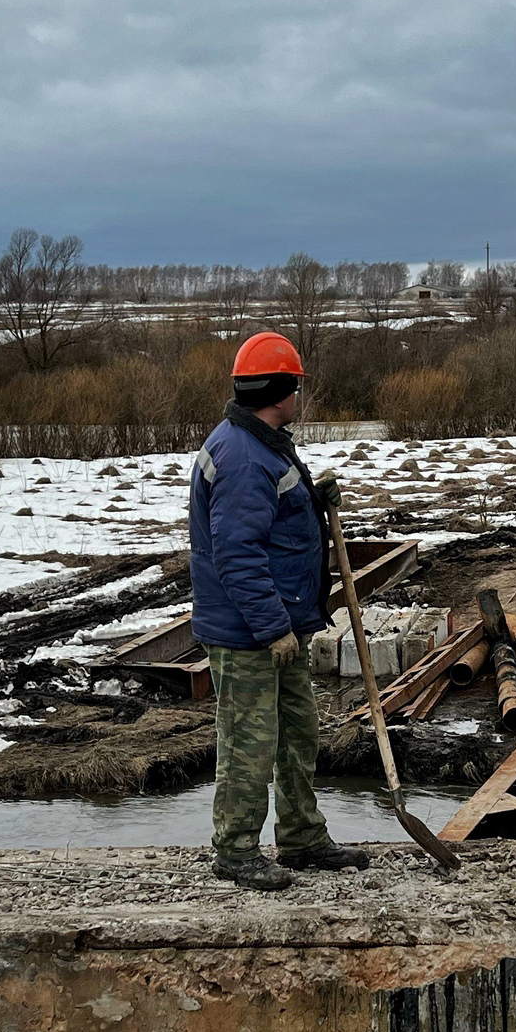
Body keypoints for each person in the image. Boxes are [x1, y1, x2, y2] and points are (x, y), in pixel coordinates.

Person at [185, 332, 371, 890]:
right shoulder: (242, 456)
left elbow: (271, 525)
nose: (300, 394)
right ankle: (235, 850)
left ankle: (302, 838)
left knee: (297, 732)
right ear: (281, 388)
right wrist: (271, 627)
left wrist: (315, 501)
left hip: (277, 625)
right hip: (250, 632)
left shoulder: (263, 442)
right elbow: (238, 552)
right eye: (296, 384)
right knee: (249, 741)